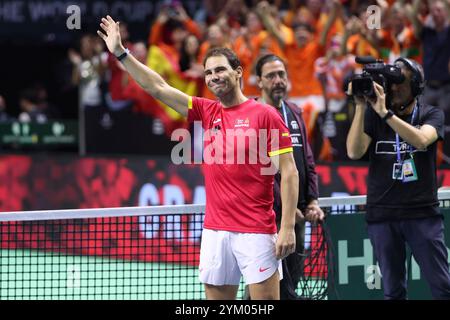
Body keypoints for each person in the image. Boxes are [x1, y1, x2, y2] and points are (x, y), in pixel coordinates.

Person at [97, 15, 299, 300]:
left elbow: (289, 172)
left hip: (256, 231)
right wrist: (121, 53)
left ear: (238, 72)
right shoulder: (207, 111)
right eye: (208, 73)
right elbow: (157, 87)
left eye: (220, 70)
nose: (214, 77)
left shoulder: (264, 114)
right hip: (215, 231)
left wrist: (287, 226)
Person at [346, 57, 450, 299]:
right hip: (382, 215)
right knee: (393, 292)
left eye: (399, 82)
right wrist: (361, 106)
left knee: (443, 287)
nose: (393, 88)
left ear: (416, 86)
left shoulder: (431, 113)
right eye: (390, 82)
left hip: (422, 214)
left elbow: (422, 140)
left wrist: (385, 114)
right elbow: (354, 151)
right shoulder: (374, 115)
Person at [252, 53, 325, 299]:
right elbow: (260, 169)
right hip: (267, 219)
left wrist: (313, 200)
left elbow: (307, 161)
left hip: (297, 218)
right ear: (259, 81)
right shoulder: (252, 114)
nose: (278, 80)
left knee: (291, 282)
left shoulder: (294, 112)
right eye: (270, 76)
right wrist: (286, 206)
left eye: (281, 74)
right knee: (263, 286)